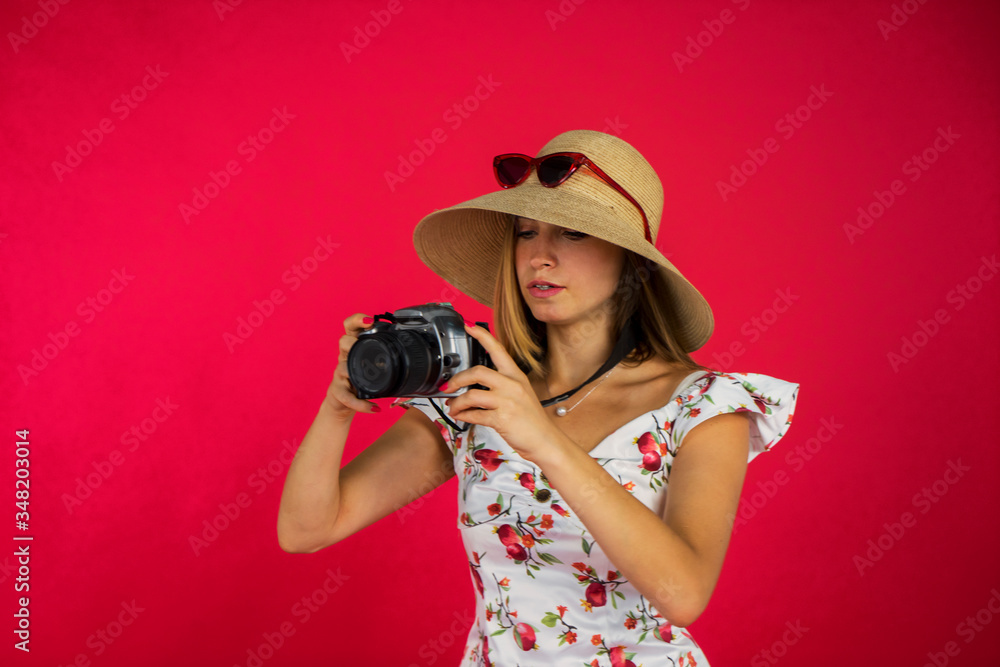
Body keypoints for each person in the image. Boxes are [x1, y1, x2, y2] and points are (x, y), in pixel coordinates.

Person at [278, 130, 799, 665]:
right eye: (526, 233)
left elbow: (683, 595)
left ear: (631, 260)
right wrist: (336, 409)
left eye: (573, 233)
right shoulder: (479, 395)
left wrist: (542, 439)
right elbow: (305, 530)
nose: (539, 257)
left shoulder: (703, 406)